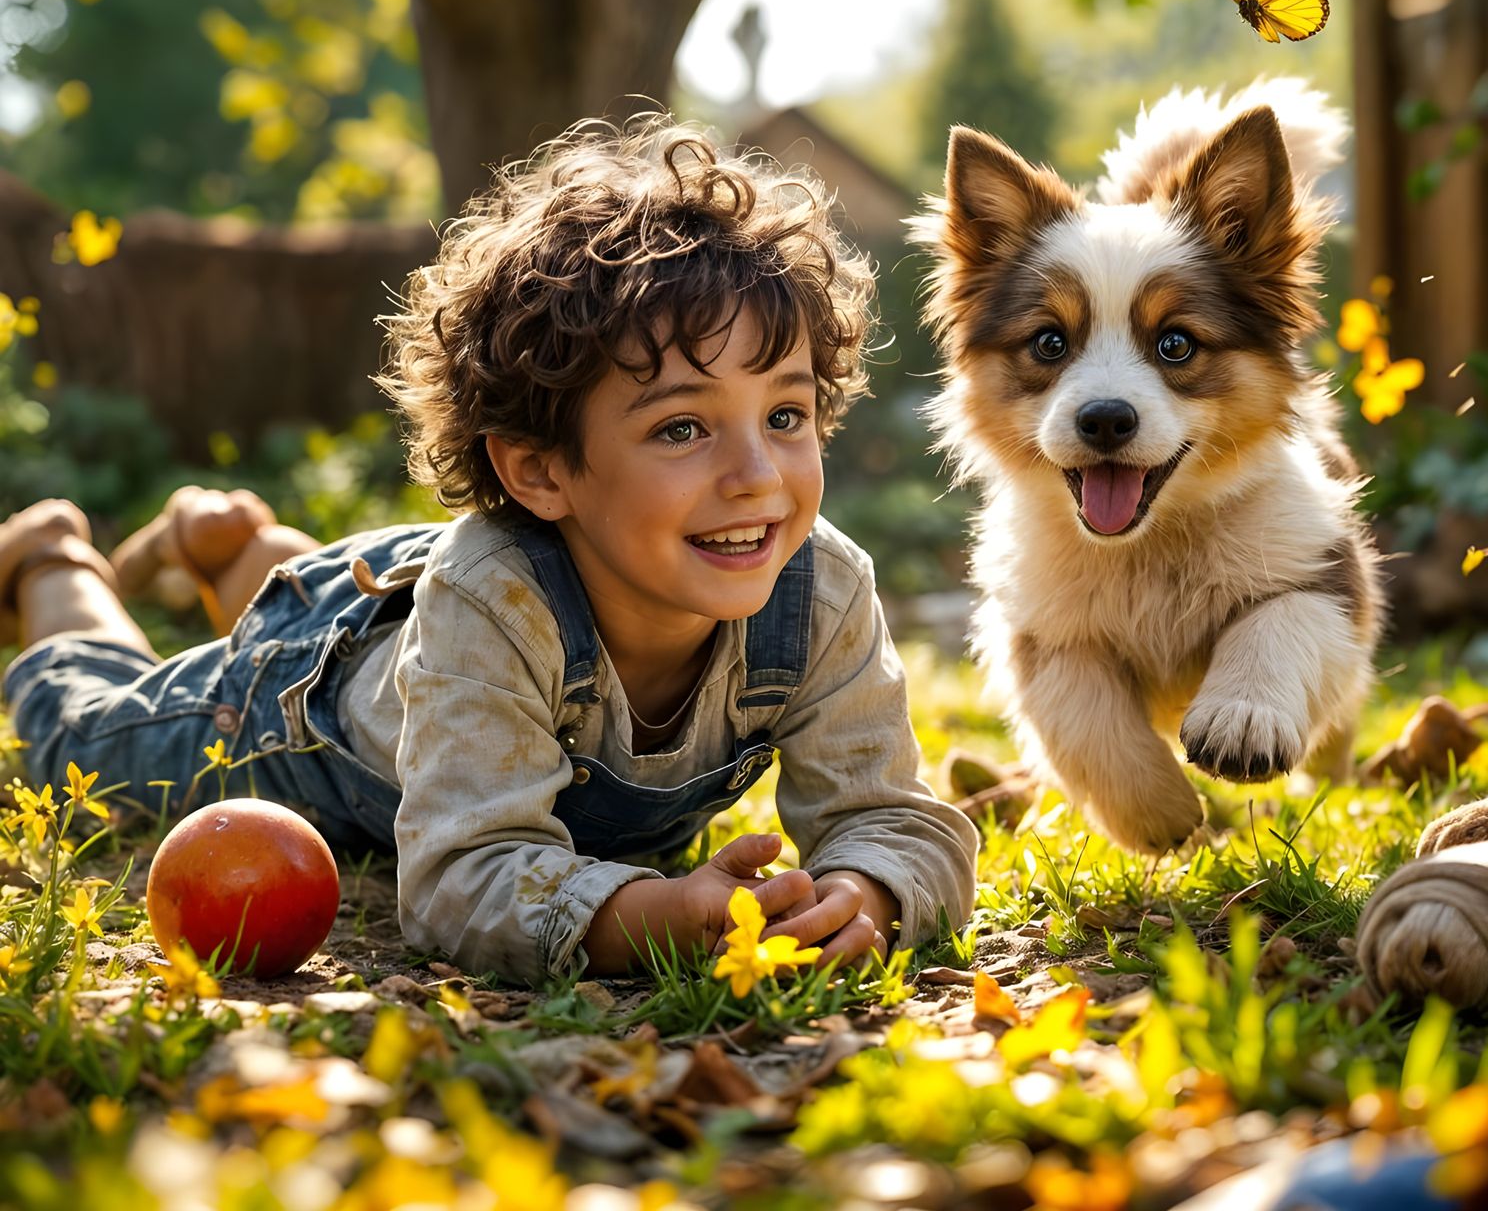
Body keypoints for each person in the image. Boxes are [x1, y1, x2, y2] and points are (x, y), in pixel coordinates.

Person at [0, 119, 978, 983]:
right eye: (683, 429)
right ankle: (55, 563)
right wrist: (652, 919)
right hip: (302, 714)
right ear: (542, 471)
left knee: (386, 625)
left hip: (415, 619)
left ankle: (248, 556)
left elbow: (894, 816)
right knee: (78, 742)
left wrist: (869, 891)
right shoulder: (496, 596)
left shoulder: (820, 589)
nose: (757, 474)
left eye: (787, 412)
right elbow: (463, 877)